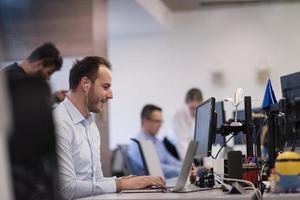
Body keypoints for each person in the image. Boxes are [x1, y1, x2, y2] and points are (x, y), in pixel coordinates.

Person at [54, 56, 165, 199]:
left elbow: (96, 182)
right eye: (105, 87)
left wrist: (129, 181)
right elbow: (66, 189)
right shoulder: (59, 122)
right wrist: (121, 184)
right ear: (85, 84)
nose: (111, 95)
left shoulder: (90, 125)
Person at [128, 104, 182, 179]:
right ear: (145, 121)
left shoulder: (157, 142)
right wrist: (183, 171)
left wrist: (190, 167)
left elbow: (171, 161)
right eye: (157, 121)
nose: (160, 125)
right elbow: (155, 168)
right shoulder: (137, 144)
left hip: (164, 181)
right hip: (149, 187)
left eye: (161, 122)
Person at [169, 88, 203, 160]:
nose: (195, 112)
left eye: (197, 108)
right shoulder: (179, 114)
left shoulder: (200, 115)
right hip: (171, 147)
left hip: (184, 148)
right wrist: (190, 167)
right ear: (186, 103)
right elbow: (182, 142)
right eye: (192, 108)